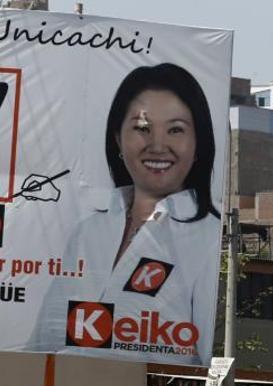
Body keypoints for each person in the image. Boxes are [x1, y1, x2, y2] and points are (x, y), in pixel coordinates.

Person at [36, 63, 221, 365]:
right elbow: (43, 340)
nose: (158, 145)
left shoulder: (212, 239)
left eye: (175, 130)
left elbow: (210, 361)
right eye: (142, 128)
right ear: (118, 139)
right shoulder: (89, 232)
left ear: (198, 143)